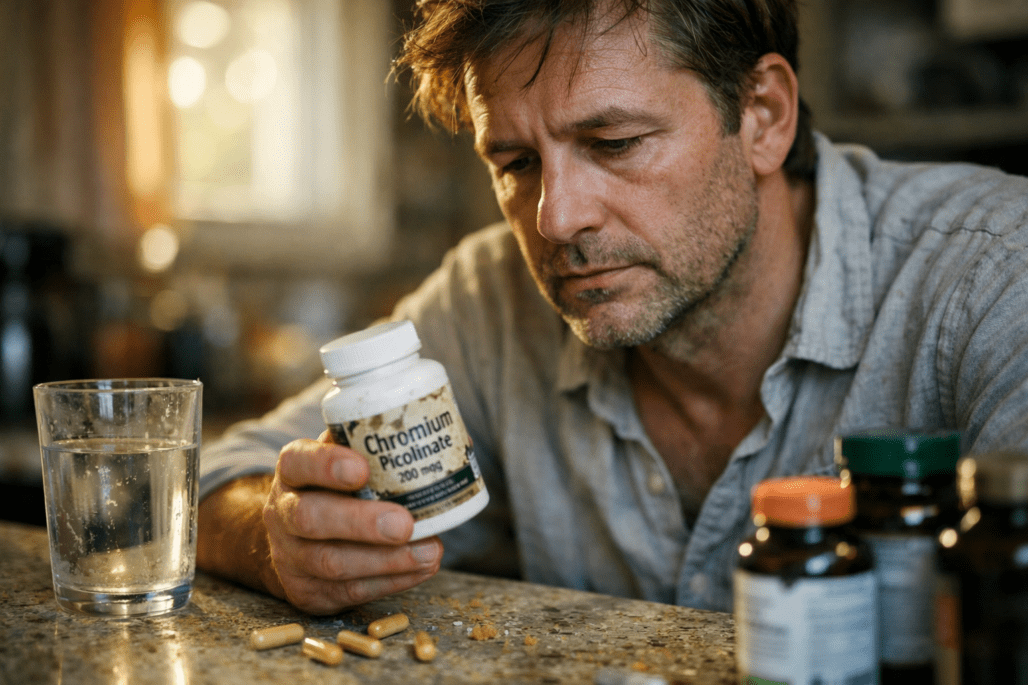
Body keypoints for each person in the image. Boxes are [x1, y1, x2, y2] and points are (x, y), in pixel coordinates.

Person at [195, 0, 1028, 615]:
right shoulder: (490, 297)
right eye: (517, 162)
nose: (557, 219)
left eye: (615, 144)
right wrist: (276, 537)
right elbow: (215, 479)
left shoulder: (991, 276)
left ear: (764, 118)